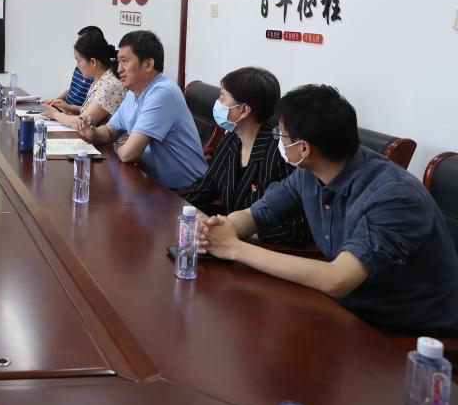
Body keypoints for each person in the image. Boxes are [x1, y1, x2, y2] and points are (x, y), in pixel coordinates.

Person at [199, 85, 458, 335]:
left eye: (281, 136)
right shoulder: (311, 171)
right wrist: (222, 227)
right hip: (349, 309)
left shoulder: (395, 196)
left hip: (405, 331)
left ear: (304, 148)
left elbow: (337, 279)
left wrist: (234, 248)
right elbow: (257, 214)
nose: (278, 141)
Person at [181, 67, 310, 246]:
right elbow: (203, 189)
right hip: (228, 240)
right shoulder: (230, 141)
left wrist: (234, 234)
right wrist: (181, 212)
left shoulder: (281, 153)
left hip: (263, 248)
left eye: (222, 98)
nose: (217, 103)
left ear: (243, 110)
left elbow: (295, 228)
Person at [77, 30, 206, 190]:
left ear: (148, 65)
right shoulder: (133, 93)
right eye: (118, 61)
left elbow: (128, 155)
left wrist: (119, 149)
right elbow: (109, 132)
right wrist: (93, 132)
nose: (119, 69)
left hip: (186, 192)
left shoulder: (164, 92)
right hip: (150, 183)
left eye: (125, 61)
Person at [42, 30, 125, 129]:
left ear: (93, 62)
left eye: (78, 61)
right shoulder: (101, 78)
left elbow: (81, 122)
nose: (77, 65)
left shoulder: (110, 85)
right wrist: (68, 107)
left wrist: (55, 114)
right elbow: (92, 110)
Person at [43, 25, 102, 110]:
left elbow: (88, 111)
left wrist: (67, 108)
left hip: (74, 112)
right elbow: (73, 89)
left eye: (81, 42)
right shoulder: (80, 66)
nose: (78, 45)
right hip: (66, 108)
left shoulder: (96, 75)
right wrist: (56, 101)